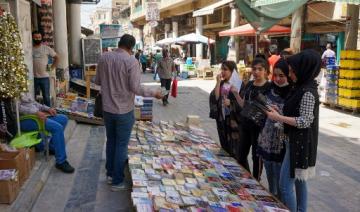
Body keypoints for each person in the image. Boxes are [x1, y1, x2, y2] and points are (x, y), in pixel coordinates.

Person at [95, 34, 162, 191]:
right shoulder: (131, 61)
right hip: (124, 110)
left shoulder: (104, 57)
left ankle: (110, 174)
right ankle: (117, 181)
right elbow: (136, 88)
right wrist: (154, 93)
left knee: (111, 141)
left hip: (107, 109)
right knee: (121, 144)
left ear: (119, 43)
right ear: (131, 47)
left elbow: (97, 81)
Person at [265, 49, 321, 212]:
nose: (289, 74)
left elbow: (305, 121)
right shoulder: (300, 87)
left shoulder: (308, 92)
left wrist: (278, 118)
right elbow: (296, 112)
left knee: (284, 185)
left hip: (299, 144)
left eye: (292, 70)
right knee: (299, 181)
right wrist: (280, 112)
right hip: (295, 142)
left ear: (303, 69)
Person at [257, 58, 291, 198]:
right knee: (272, 183)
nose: (277, 79)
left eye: (281, 76)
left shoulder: (293, 93)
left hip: (281, 145)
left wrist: (280, 114)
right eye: (275, 75)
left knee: (282, 187)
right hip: (266, 141)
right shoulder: (270, 89)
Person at [233, 57, 271, 180]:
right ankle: (247, 178)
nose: (256, 72)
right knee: (240, 155)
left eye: (260, 69)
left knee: (257, 158)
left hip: (259, 128)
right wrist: (235, 94)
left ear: (265, 71)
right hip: (245, 125)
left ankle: (256, 181)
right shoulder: (249, 84)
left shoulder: (269, 87)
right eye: (254, 69)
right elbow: (243, 104)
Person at [19, 93, 74, 173]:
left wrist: (48, 109)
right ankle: (61, 161)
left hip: (36, 115)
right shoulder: (11, 88)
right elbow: (17, 108)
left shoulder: (23, 87)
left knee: (63, 119)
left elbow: (34, 103)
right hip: (26, 119)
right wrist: (36, 112)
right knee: (57, 128)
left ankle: (51, 148)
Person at [210, 61, 244, 158]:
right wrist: (218, 82)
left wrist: (232, 103)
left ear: (232, 71)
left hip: (233, 122)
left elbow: (243, 104)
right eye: (222, 69)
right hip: (222, 120)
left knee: (236, 152)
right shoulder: (222, 84)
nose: (223, 72)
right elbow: (215, 98)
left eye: (226, 69)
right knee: (225, 148)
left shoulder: (239, 84)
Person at [32, 31, 58, 107]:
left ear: (41, 38)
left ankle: (48, 113)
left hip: (44, 77)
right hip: (33, 78)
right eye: (36, 37)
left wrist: (51, 68)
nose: (37, 39)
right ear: (33, 38)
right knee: (33, 97)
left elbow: (57, 58)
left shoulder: (46, 48)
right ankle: (36, 113)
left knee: (46, 97)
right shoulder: (30, 49)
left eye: (39, 37)